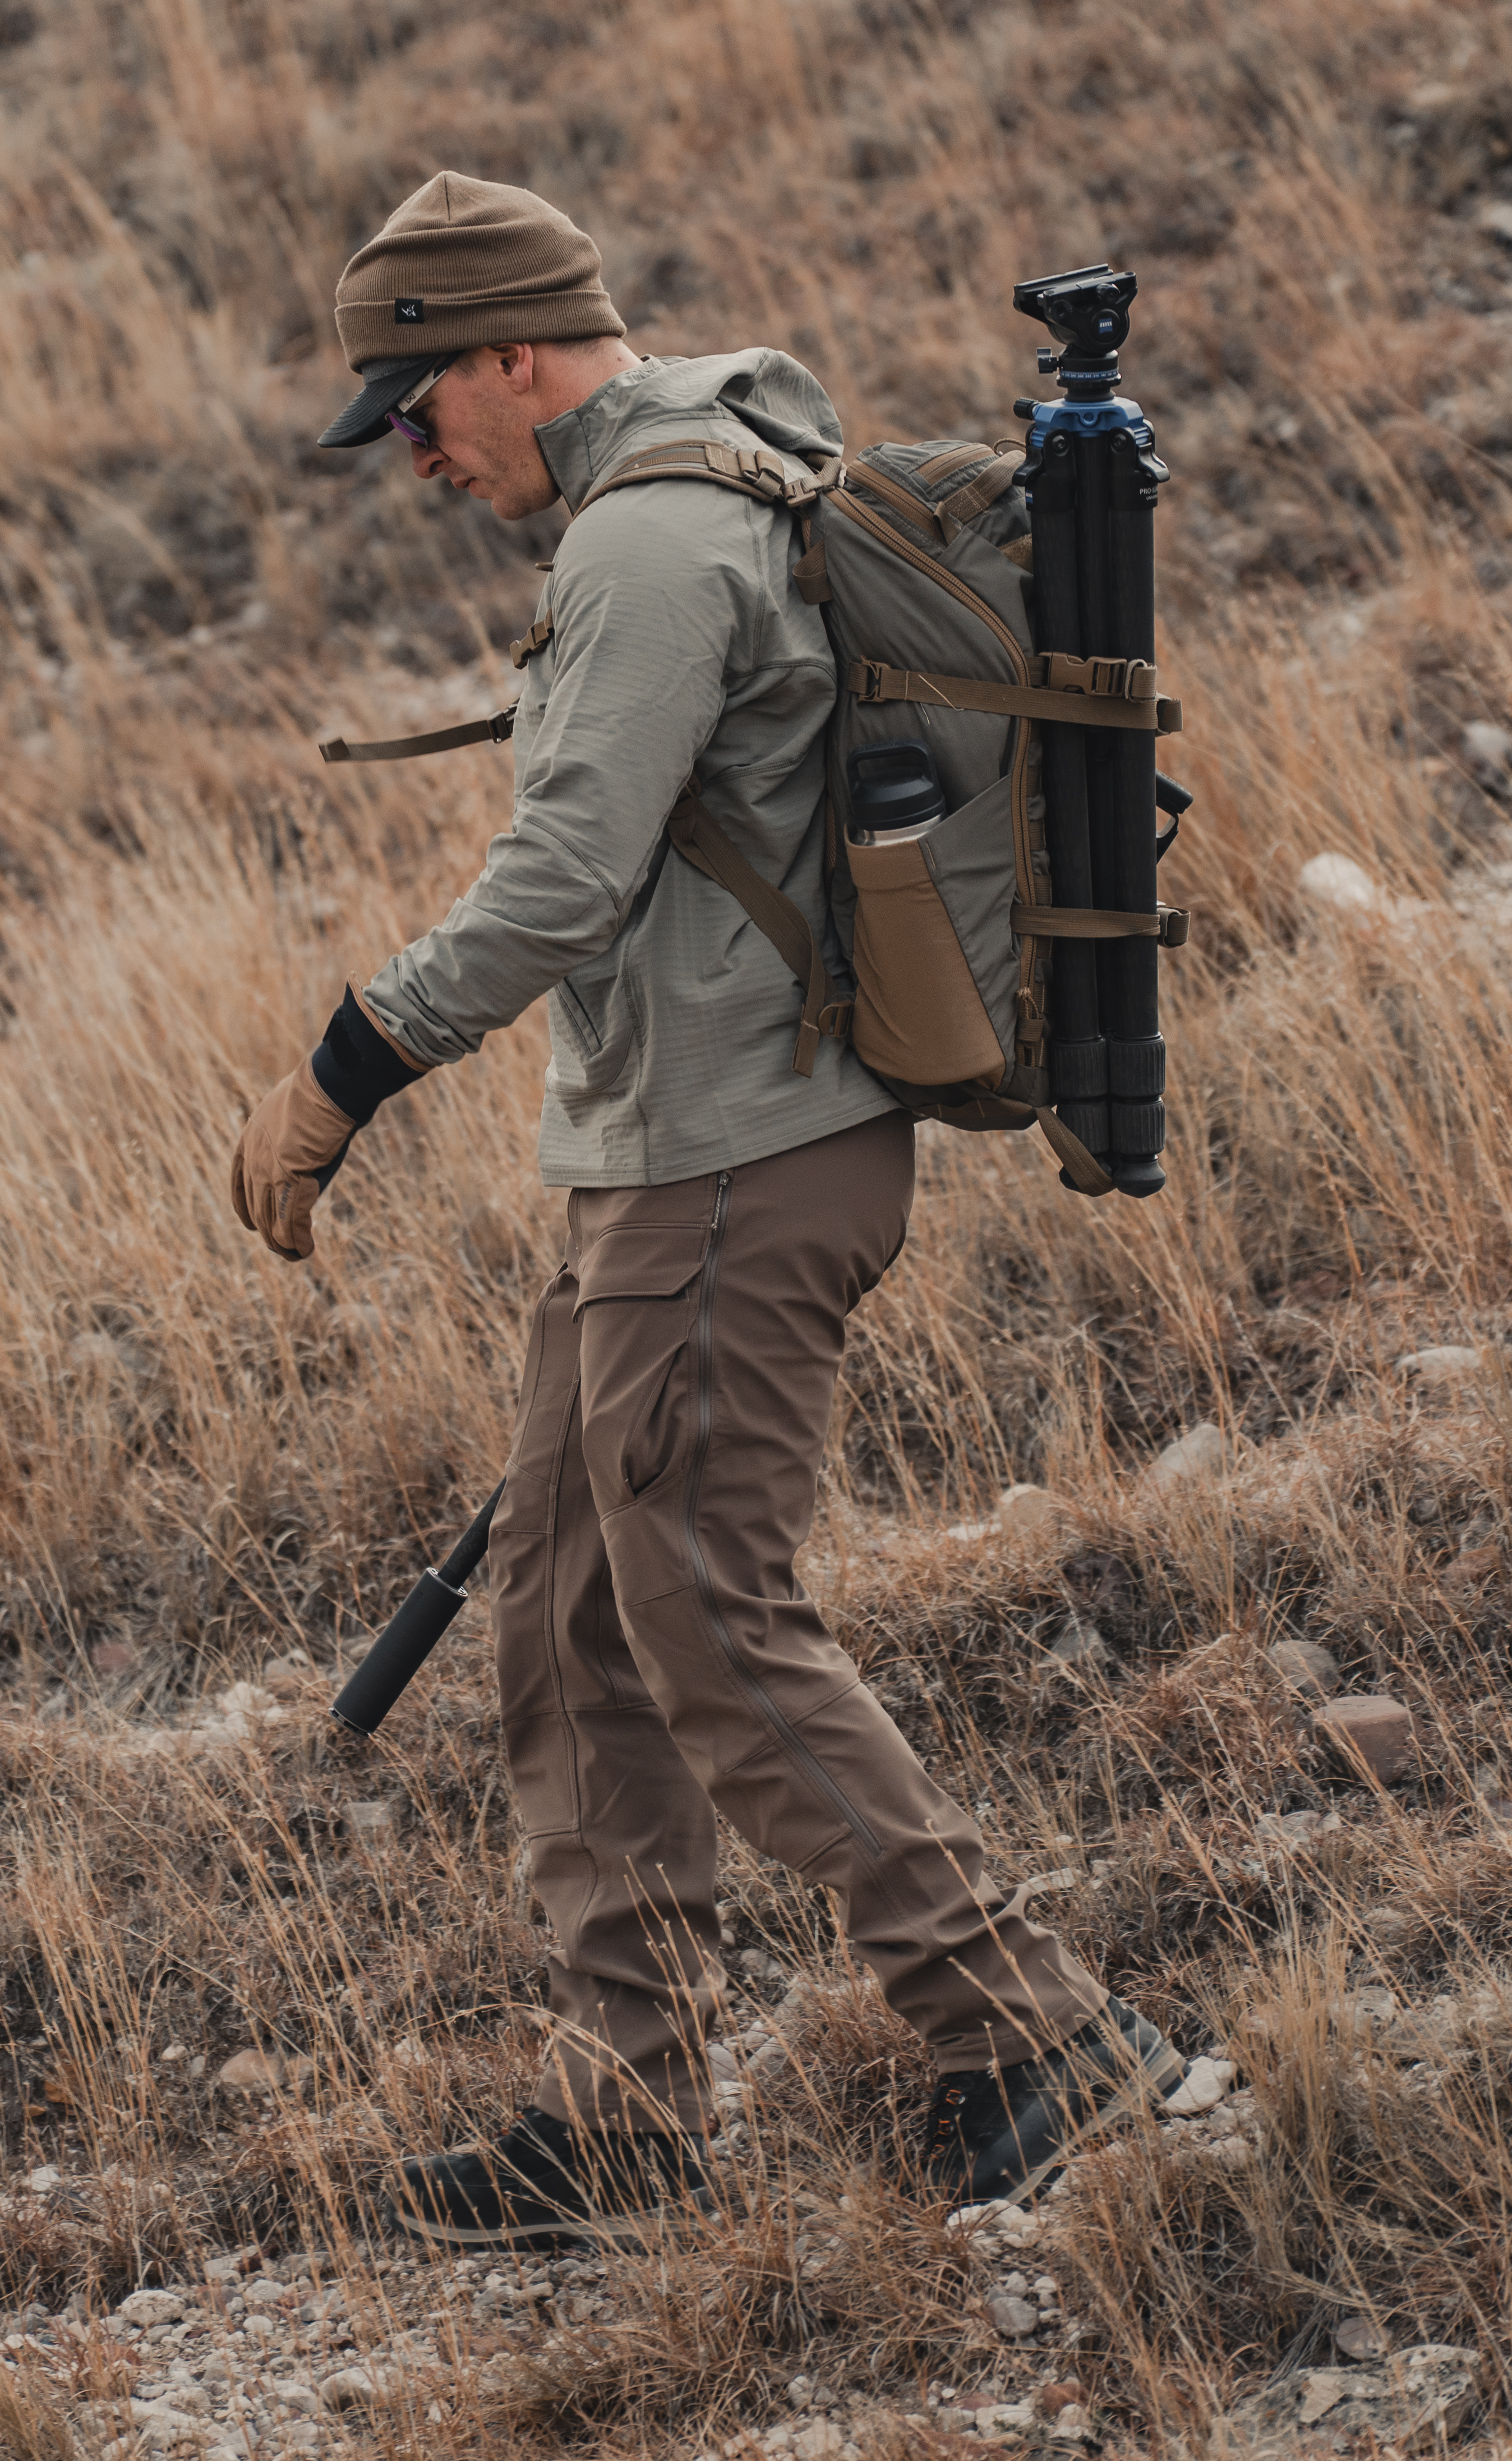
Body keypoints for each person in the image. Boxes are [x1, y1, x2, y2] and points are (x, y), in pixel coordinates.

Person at [225, 171, 1179, 2248]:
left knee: (707, 1619)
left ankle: (1030, 2028)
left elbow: (563, 882)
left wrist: (345, 1070)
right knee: (572, 1620)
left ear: (509, 350)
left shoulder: (656, 540)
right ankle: (623, 2109)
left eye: (417, 404)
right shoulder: (701, 480)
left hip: (739, 1163)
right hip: (670, 1155)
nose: (411, 452)